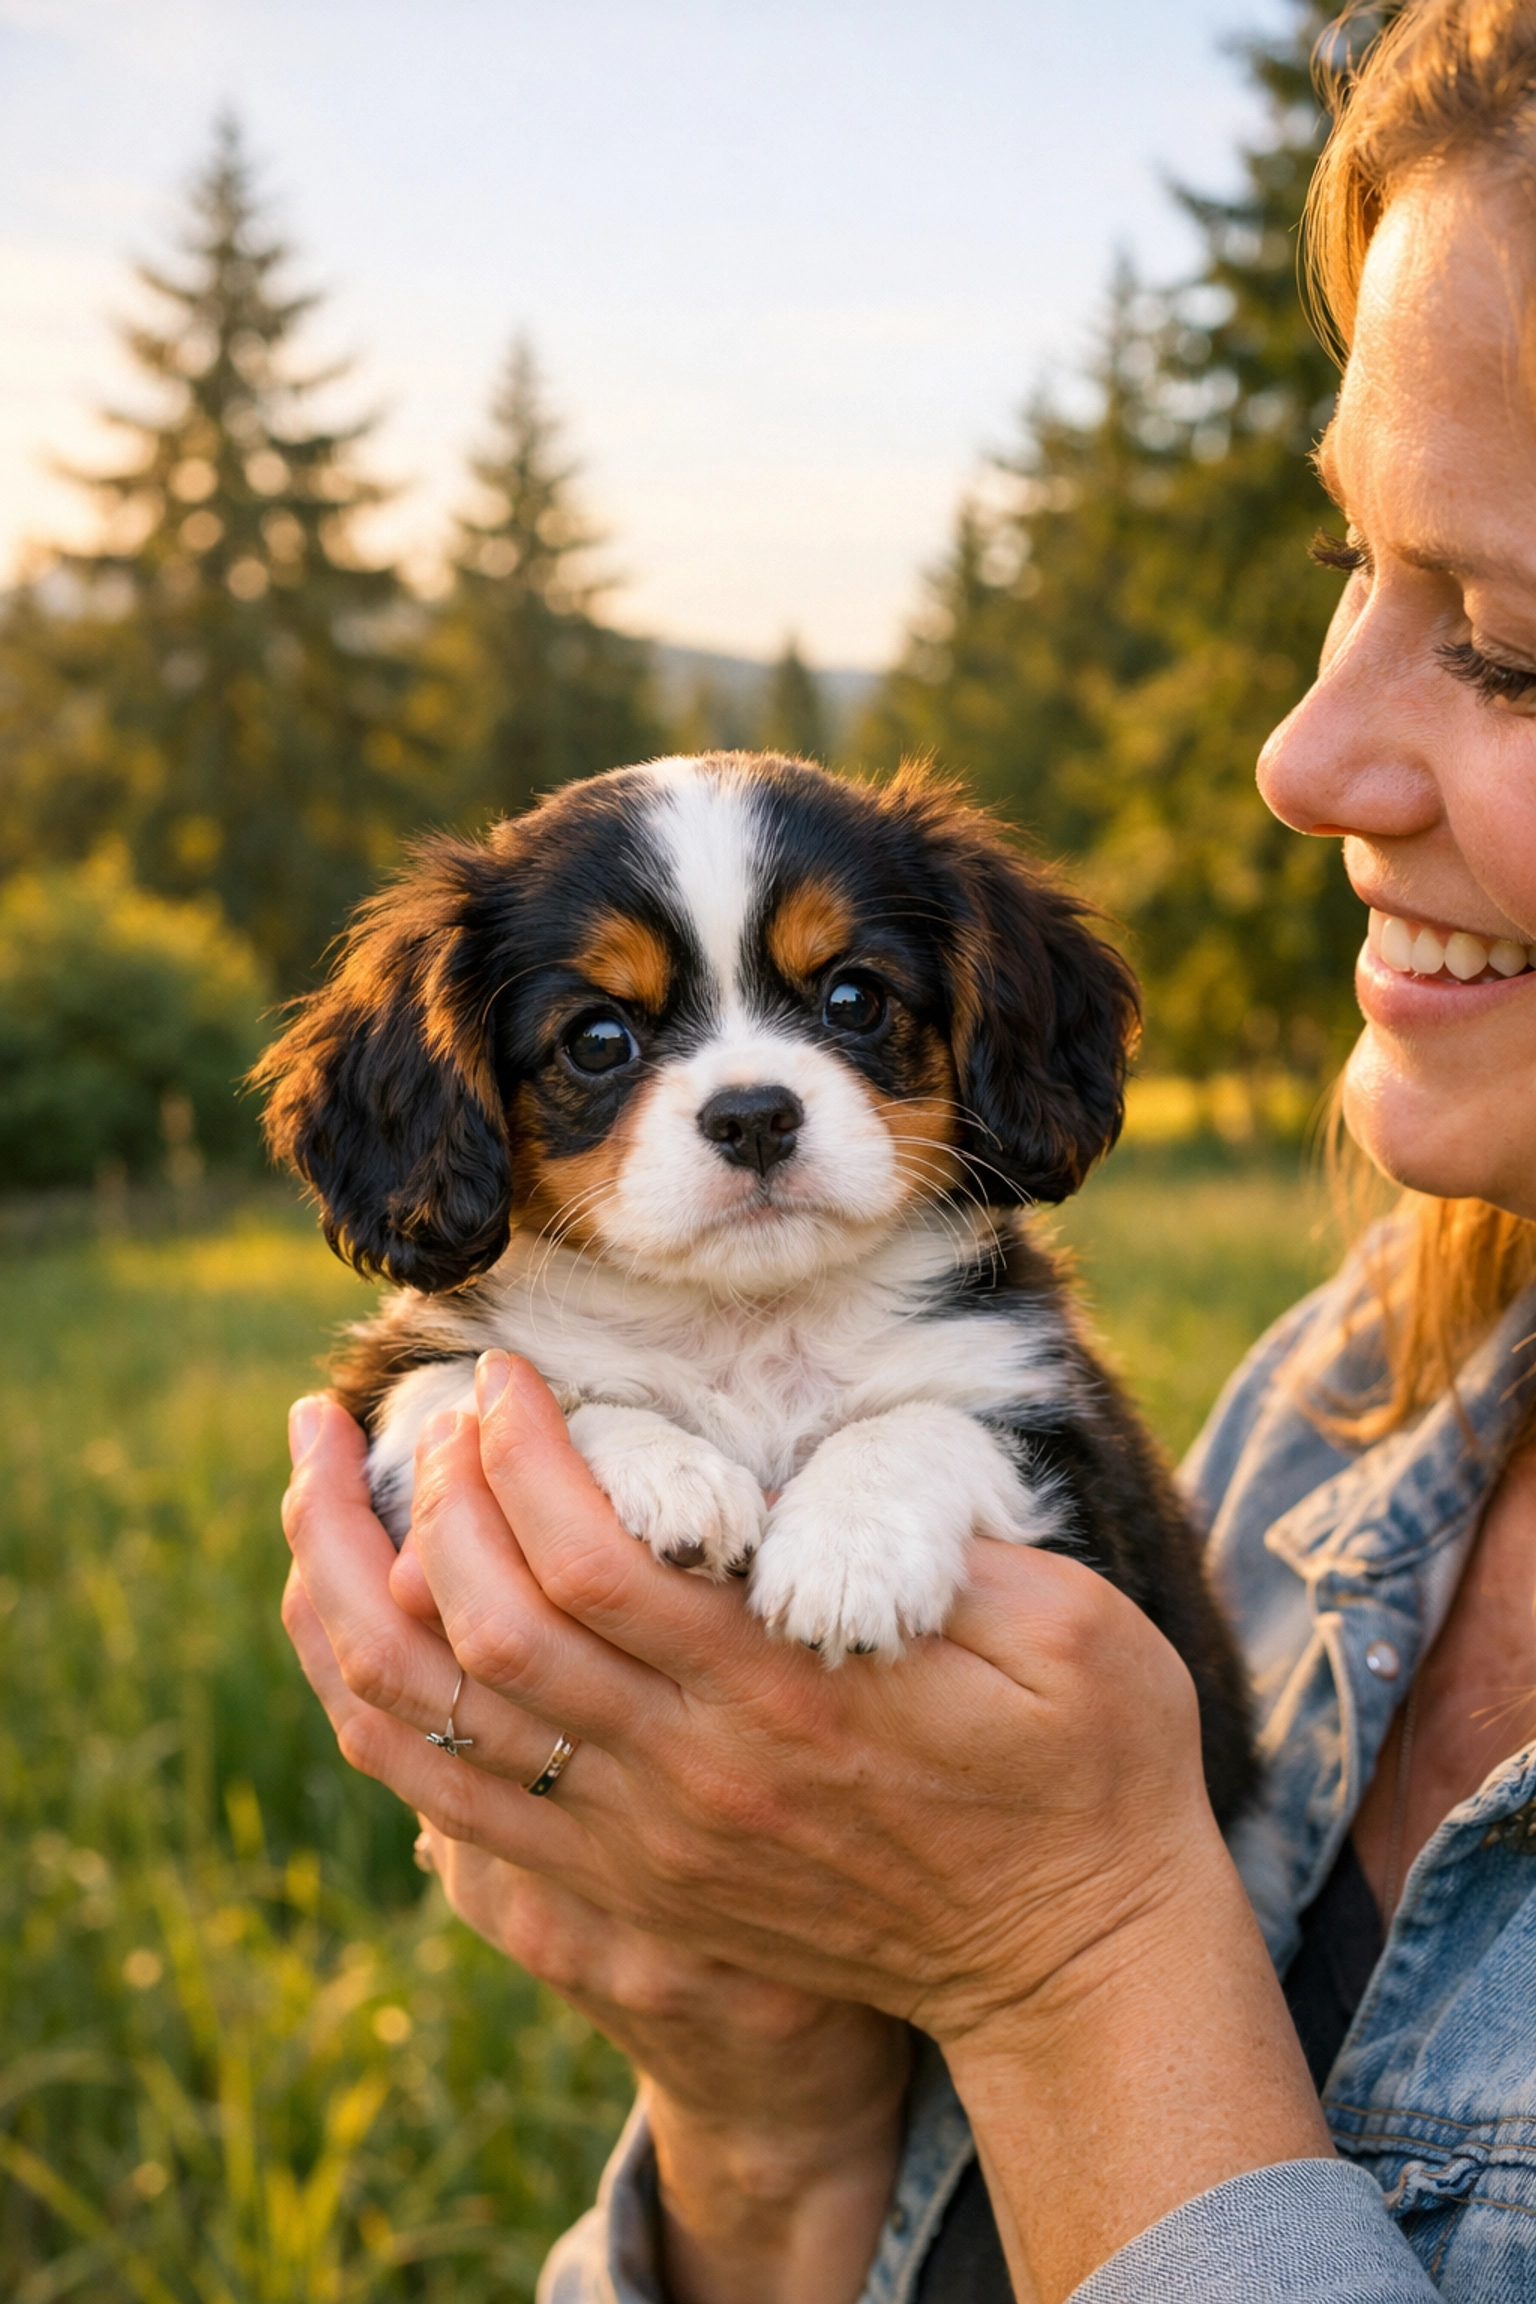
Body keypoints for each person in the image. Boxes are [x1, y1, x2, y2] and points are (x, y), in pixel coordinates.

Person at [279, 4, 1536, 2296]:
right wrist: (757, 2104)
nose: (1302, 754)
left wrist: (1066, 1957)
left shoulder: (1020, 1388)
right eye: (1351, 561)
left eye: (1522, 643)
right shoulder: (1328, 1426)